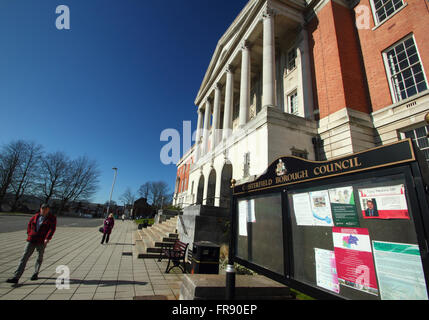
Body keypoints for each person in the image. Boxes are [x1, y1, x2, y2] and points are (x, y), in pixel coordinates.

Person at [6, 203, 57, 284]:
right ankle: (16, 277)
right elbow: (29, 225)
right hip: (31, 239)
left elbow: (52, 229)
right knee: (24, 257)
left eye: (46, 209)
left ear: (48, 210)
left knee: (39, 257)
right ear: (40, 209)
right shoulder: (35, 216)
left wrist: (47, 238)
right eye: (43, 208)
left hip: (41, 240)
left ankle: (35, 273)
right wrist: (29, 233)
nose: (44, 210)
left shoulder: (52, 218)